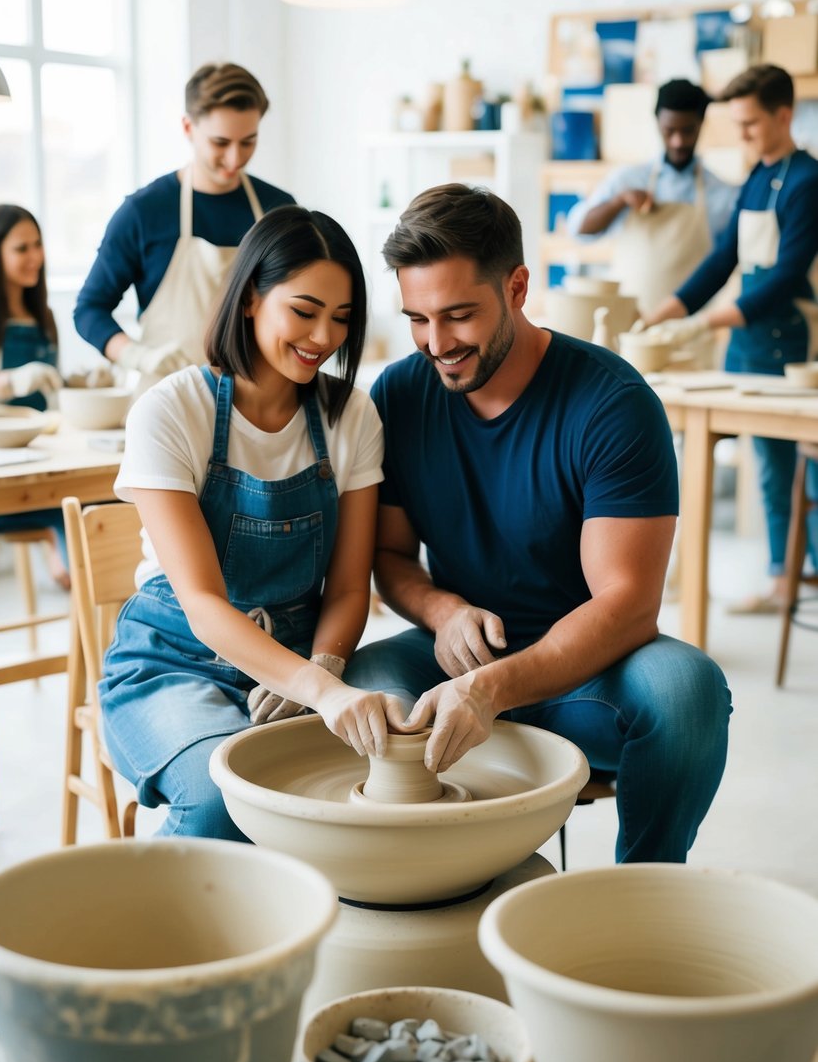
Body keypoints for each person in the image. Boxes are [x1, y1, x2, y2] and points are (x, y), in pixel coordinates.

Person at [344, 183, 732, 864]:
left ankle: (642, 892)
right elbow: (392, 558)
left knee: (687, 690)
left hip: (588, 673)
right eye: (417, 319)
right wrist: (443, 611)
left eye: (458, 315)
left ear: (516, 287)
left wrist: (488, 689)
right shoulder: (401, 395)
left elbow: (628, 606)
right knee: (367, 676)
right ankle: (441, 885)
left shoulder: (611, 402)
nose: (436, 344)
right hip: (455, 656)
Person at [98, 205, 405, 840]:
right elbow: (205, 602)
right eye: (305, 310)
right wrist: (317, 689)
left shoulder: (352, 418)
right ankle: (163, 936)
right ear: (249, 299)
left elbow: (350, 589)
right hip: (174, 659)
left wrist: (323, 666)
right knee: (222, 798)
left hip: (300, 656)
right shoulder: (170, 411)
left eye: (341, 319)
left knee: (371, 796)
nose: (324, 337)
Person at [646, 65, 818, 614]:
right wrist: (667, 311)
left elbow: (787, 274)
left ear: (783, 116)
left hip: (785, 336)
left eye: (749, 124)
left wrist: (706, 323)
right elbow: (724, 260)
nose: (741, 135)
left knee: (792, 463)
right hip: (746, 339)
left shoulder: (807, 182)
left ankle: (797, 574)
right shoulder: (754, 176)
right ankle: (782, 576)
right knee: (765, 462)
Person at [73, 62, 295, 393]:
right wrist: (135, 355)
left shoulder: (278, 209)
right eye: (220, 143)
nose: (235, 158)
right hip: (167, 398)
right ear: (188, 128)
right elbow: (89, 309)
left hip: (258, 399)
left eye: (248, 141)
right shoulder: (143, 212)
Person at [567, 79, 738, 314]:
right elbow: (578, 229)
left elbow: (726, 264)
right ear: (657, 122)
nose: (678, 141)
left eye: (687, 131)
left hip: (690, 333)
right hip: (627, 326)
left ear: (701, 124)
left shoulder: (723, 194)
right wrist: (619, 202)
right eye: (669, 131)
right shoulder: (628, 179)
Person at [0, 203, 68, 586]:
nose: (35, 257)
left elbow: (54, 395)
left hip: (43, 459)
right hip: (0, 470)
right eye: (22, 249)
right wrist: (6, 383)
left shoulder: (44, 317)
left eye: (38, 245)